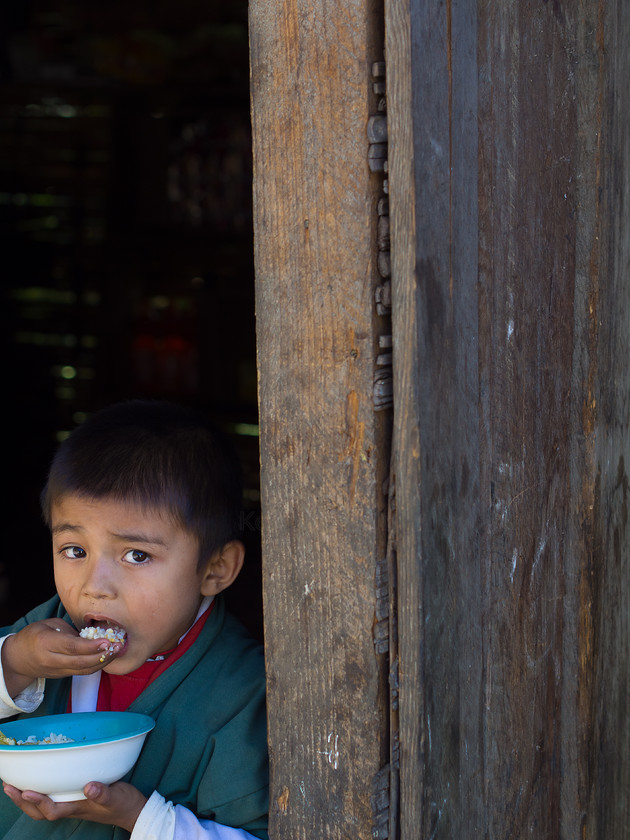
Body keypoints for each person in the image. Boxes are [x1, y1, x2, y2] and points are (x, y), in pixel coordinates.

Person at [0, 400, 269, 840]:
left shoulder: (240, 691)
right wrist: (12, 663)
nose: (95, 586)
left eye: (137, 555)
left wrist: (138, 817)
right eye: (74, 551)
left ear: (215, 569)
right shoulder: (43, 633)